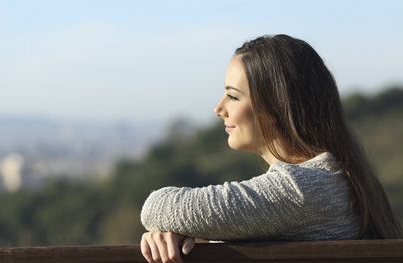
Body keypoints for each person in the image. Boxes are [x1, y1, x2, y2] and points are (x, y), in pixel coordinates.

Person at [139, 34, 403, 263]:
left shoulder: (305, 188)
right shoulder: (334, 179)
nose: (219, 109)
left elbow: (157, 207)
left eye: (232, 96)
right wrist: (187, 235)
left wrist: (180, 227)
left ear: (273, 108)